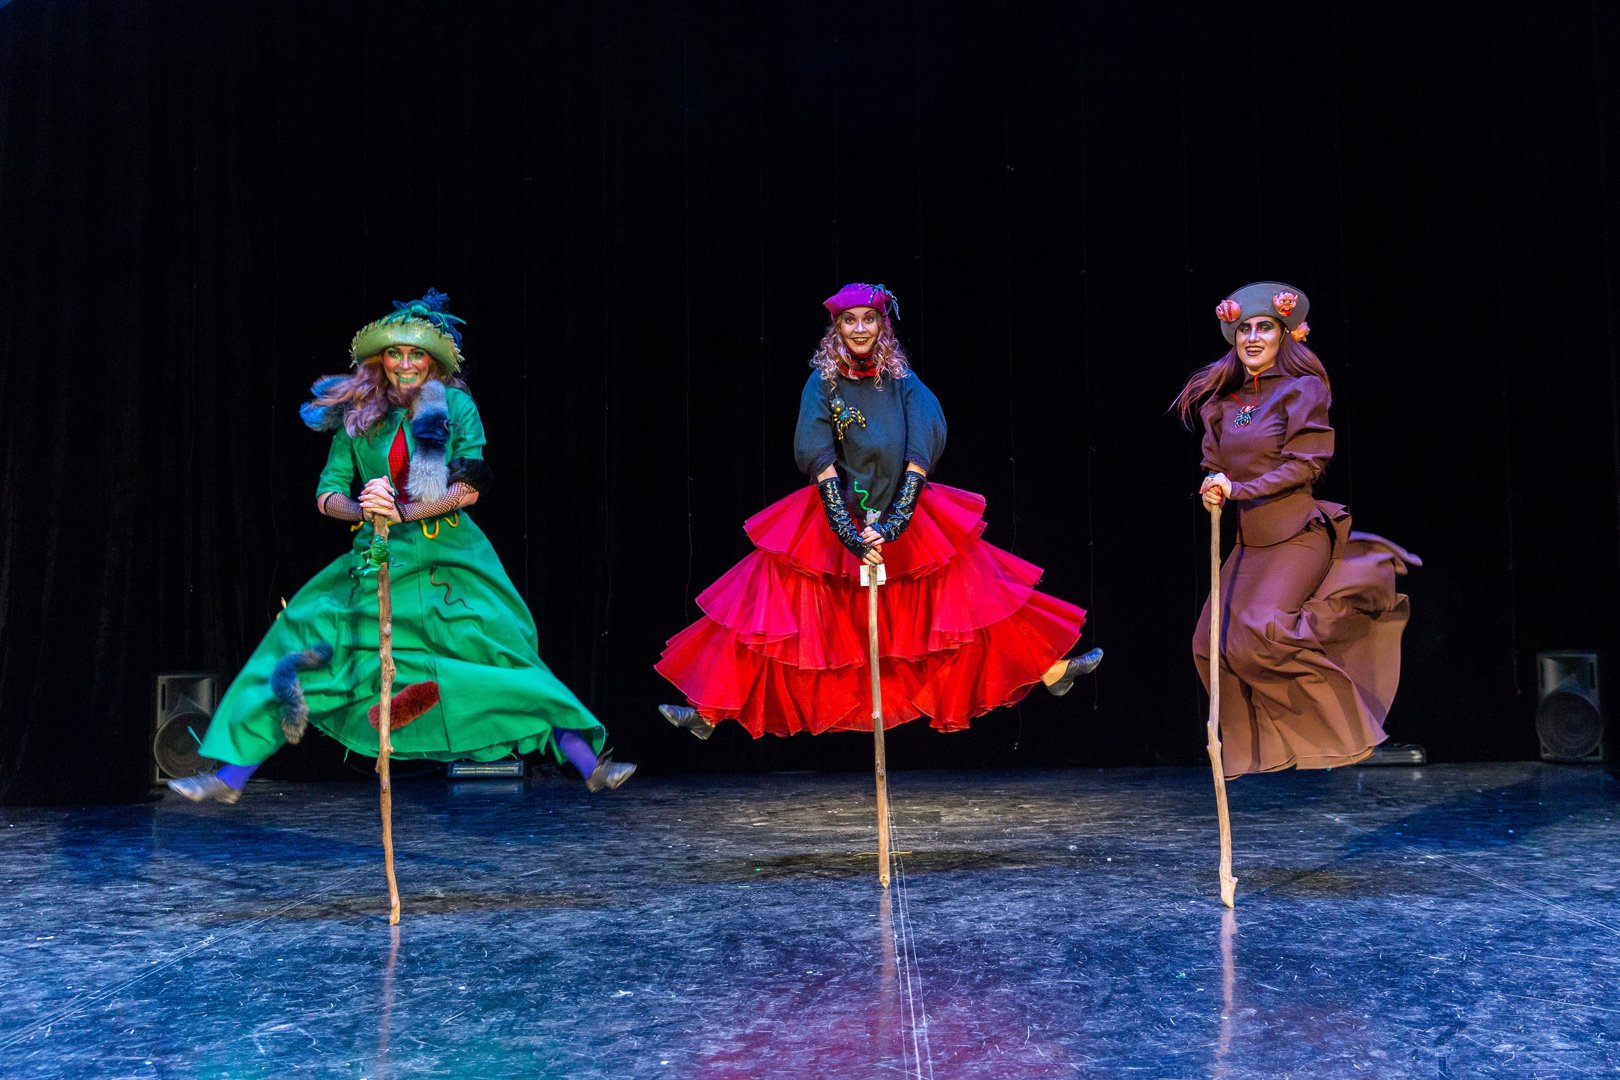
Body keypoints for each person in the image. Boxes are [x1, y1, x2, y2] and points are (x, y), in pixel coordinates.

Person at [167, 290, 633, 803]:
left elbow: (469, 487)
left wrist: (404, 512)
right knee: (301, 648)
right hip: (378, 560)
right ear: (380, 360)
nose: (405, 364)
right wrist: (363, 508)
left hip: (449, 563)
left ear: (432, 362)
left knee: (503, 662)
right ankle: (230, 778)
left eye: (416, 355)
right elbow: (326, 493)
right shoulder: (359, 415)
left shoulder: (455, 407)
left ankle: (589, 765)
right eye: (395, 353)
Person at [656, 282, 1101, 740]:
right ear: (837, 328)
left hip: (902, 508)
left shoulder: (902, 379)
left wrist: (897, 520)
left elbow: (921, 449)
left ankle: (1051, 669)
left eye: (868, 319)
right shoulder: (823, 383)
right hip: (839, 510)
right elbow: (818, 456)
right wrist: (846, 532)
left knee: (973, 587)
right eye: (849, 321)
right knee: (771, 604)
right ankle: (708, 712)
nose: (859, 329)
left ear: (882, 325)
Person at [1174, 281, 1419, 777]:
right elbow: (1214, 465)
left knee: (1264, 630)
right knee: (1210, 643)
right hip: (1250, 541)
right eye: (1245, 329)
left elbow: (1306, 465)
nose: (1253, 337)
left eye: (1264, 327)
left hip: (1297, 534)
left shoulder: (1302, 390)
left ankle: (1344, 726)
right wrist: (1212, 487)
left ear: (1285, 335)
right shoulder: (1221, 404)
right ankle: (1256, 751)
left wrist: (1238, 489)